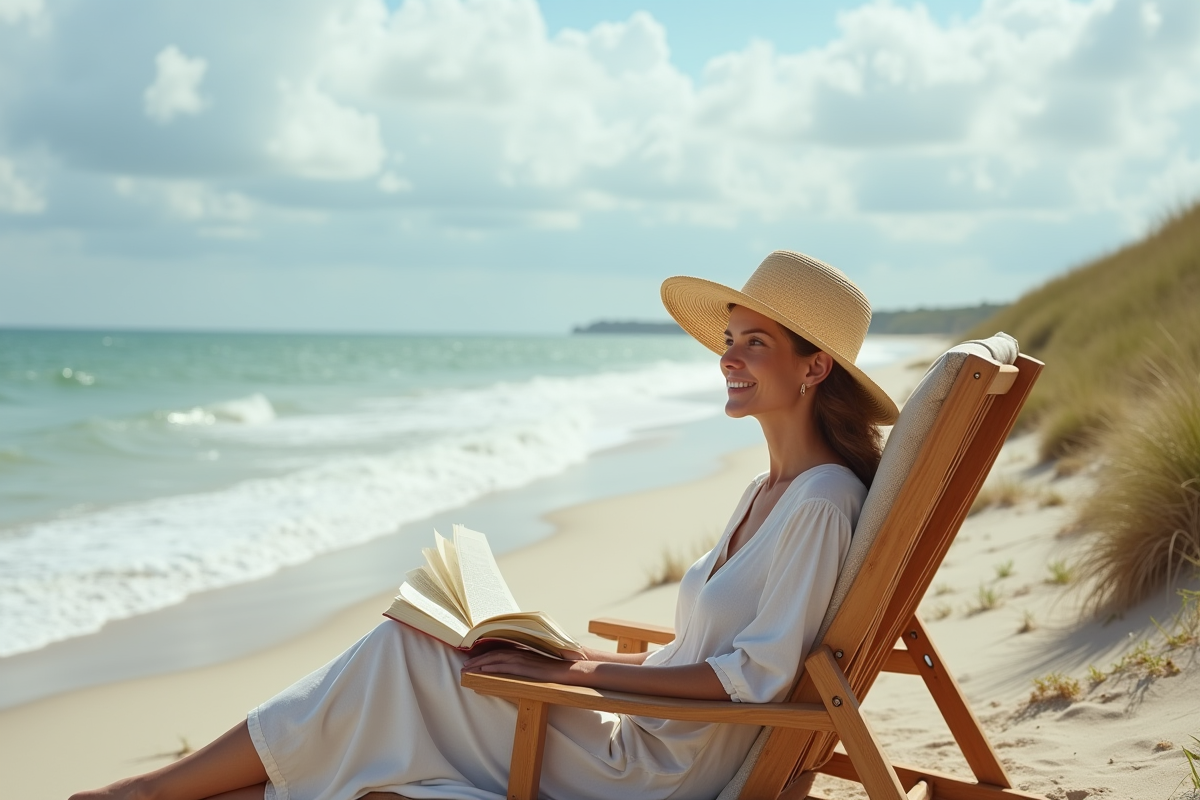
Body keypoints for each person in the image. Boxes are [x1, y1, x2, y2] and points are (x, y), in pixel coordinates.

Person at [72, 250, 899, 800]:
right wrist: (574, 655)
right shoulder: (770, 490)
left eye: (754, 343)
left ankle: (147, 791)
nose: (728, 356)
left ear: (813, 366)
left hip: (653, 770)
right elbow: (705, 656)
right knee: (424, 655)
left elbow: (746, 680)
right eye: (728, 339)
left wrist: (582, 681)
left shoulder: (820, 504)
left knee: (404, 654)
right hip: (642, 730)